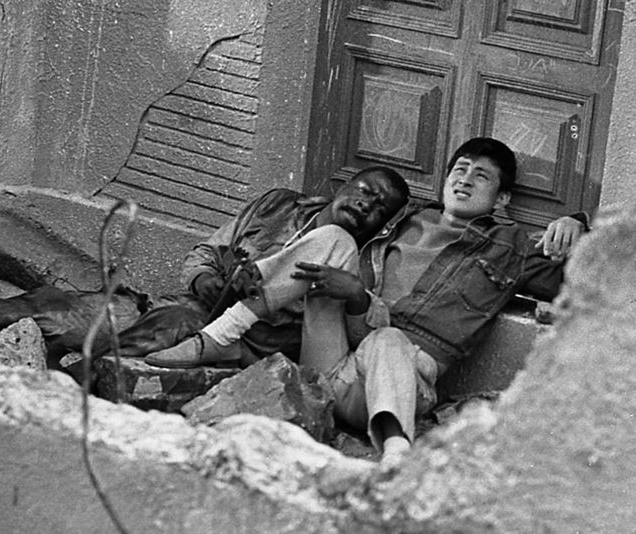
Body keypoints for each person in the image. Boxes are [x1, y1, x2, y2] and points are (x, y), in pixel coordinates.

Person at [289, 137, 587, 463]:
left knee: (387, 339)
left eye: (481, 176)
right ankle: (227, 333)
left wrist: (581, 222)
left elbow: (602, 269)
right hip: (335, 358)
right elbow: (324, 224)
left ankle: (395, 452)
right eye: (460, 169)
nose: (466, 179)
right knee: (331, 244)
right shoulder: (397, 218)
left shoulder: (509, 248)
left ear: (502, 198)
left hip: (399, 380)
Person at [144, 166, 409, 370]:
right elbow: (209, 251)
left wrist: (356, 295)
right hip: (213, 312)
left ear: (382, 226)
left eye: (379, 209)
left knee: (339, 239)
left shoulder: (367, 260)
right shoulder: (278, 206)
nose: (366, 205)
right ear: (341, 187)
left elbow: (364, 343)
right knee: (163, 324)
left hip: (274, 348)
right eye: (364, 191)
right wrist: (204, 280)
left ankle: (222, 334)